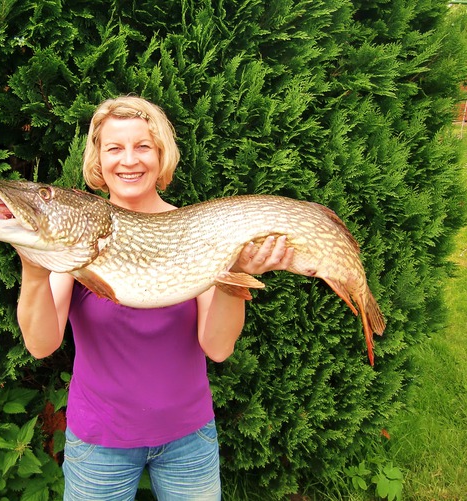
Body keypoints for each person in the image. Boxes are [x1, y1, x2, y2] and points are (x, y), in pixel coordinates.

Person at [16, 96, 294, 500]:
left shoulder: (200, 230)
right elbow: (41, 345)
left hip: (189, 437)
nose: (129, 160)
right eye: (114, 148)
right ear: (98, 159)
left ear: (161, 154)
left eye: (143, 146)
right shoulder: (76, 236)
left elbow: (217, 348)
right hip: (99, 441)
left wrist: (240, 277)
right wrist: (34, 269)